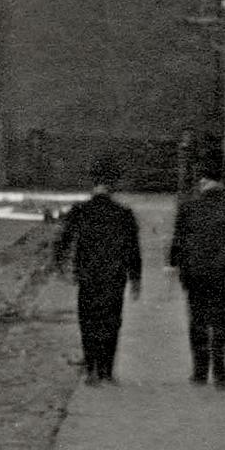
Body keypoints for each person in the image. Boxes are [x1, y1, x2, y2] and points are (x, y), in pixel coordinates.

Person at [55, 164, 145, 385]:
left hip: (88, 275)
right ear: (113, 186)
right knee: (111, 322)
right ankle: (107, 371)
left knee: (88, 321)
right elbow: (133, 249)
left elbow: (64, 240)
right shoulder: (124, 214)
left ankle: (91, 369)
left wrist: (60, 264)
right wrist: (135, 278)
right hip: (114, 276)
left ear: (93, 184)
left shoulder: (80, 210)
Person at [171, 144, 225, 386]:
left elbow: (178, 242)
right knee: (221, 320)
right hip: (222, 273)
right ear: (222, 181)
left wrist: (177, 267)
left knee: (198, 320)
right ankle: (220, 372)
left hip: (195, 272)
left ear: (202, 180)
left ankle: (199, 371)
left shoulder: (188, 207)